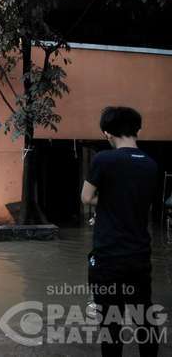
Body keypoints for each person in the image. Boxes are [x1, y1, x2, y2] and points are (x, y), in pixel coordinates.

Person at [81, 107, 159, 357]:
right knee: (144, 318)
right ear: (137, 130)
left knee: (110, 323)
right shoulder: (151, 164)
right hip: (139, 255)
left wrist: (107, 202)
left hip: (108, 256)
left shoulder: (103, 160)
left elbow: (86, 197)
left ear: (107, 133)